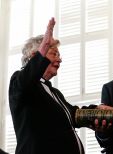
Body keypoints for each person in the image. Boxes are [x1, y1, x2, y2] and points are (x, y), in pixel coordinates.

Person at [8, 18, 96, 154]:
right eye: (54, 54)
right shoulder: (19, 81)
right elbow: (26, 81)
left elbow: (73, 115)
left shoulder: (54, 92)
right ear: (34, 56)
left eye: (59, 55)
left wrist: (100, 111)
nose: (59, 59)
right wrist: (43, 48)